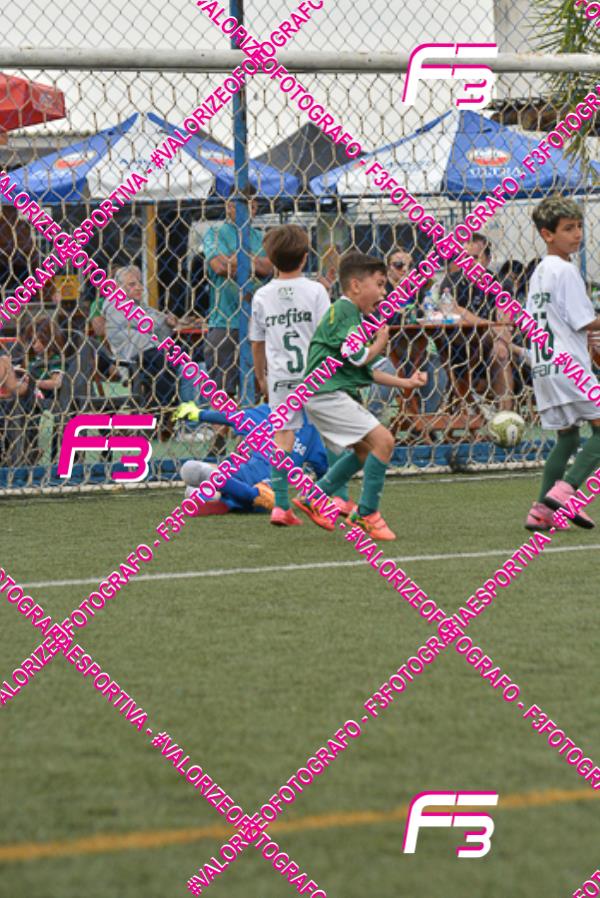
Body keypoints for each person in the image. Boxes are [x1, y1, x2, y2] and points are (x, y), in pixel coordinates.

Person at [293, 251, 427, 541]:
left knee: (365, 450)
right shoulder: (344, 312)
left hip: (322, 394)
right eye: (379, 285)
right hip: (325, 393)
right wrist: (380, 341)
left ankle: (314, 498)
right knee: (384, 441)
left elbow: (366, 370)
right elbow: (359, 357)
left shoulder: (349, 316)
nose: (383, 292)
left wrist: (405, 382)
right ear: (355, 286)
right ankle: (367, 515)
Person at [523, 195, 600, 531]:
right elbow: (585, 321)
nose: (577, 234)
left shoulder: (539, 272)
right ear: (547, 234)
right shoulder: (566, 270)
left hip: (544, 367)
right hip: (569, 366)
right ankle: (565, 493)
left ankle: (541, 511)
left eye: (579, 226)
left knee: (567, 438)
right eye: (568, 228)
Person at [250, 224, 330, 526]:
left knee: (283, 436)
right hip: (315, 374)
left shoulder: (262, 295)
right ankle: (334, 497)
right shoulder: (316, 290)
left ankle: (281, 506)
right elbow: (327, 335)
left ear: (270, 259)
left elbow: (257, 342)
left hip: (281, 378)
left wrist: (261, 376)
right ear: (306, 257)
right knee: (333, 433)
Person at [179, 404, 330, 516]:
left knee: (191, 471)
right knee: (191, 481)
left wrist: (198, 414)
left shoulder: (271, 412)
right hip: (260, 483)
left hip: (258, 480)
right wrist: (317, 494)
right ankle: (244, 497)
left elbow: (229, 417)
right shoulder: (273, 413)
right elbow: (322, 469)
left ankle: (233, 496)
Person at [204, 184, 273, 400]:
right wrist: (253, 262)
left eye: (251, 205)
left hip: (258, 321)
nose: (247, 210)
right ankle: (224, 423)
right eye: (240, 205)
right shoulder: (215, 233)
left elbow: (268, 268)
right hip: (225, 321)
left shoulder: (261, 236)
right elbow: (219, 267)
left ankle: (254, 420)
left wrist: (237, 258)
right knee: (222, 392)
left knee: (261, 387)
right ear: (228, 206)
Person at [439, 233, 514, 410]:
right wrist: (489, 325)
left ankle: (506, 415)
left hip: (493, 340)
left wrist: (498, 335)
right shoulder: (451, 281)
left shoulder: (500, 283)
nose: (469, 262)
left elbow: (505, 316)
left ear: (487, 259)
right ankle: (470, 408)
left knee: (501, 352)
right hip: (459, 343)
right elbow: (453, 309)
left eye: (474, 257)